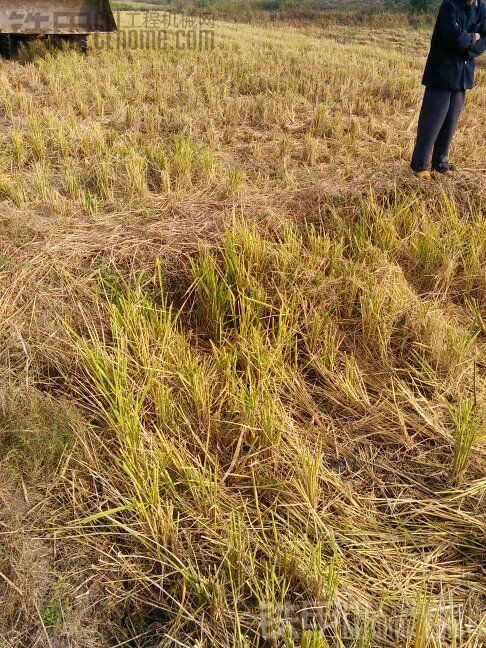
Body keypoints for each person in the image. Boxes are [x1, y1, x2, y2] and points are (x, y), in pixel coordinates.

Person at [411, 0, 486, 179]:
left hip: (462, 75)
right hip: (442, 73)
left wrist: (469, 43)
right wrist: (473, 37)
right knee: (432, 122)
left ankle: (440, 163)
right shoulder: (449, 5)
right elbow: (455, 38)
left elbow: (483, 40)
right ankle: (420, 165)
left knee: (450, 123)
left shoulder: (482, 7)